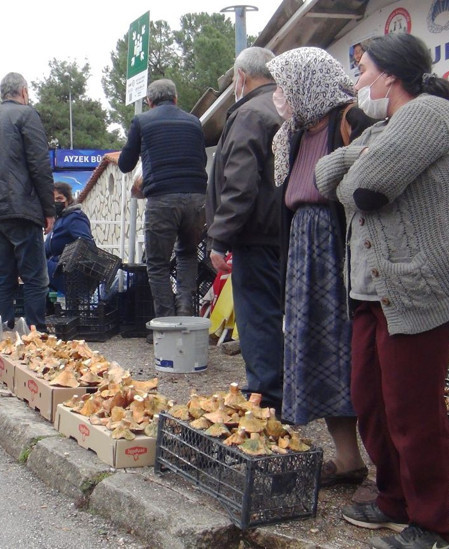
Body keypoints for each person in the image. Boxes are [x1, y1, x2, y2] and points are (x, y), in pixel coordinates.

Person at [315, 32, 449, 549]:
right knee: (371, 401)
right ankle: (394, 499)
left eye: (363, 70)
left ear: (390, 75)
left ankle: (435, 526)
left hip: (422, 289)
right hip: (376, 291)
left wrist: (354, 162)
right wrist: (360, 156)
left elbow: (365, 191)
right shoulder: (388, 126)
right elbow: (326, 176)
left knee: (413, 412)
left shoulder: (427, 114)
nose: (358, 81)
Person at [266, 47, 375, 489]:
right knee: (315, 349)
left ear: (309, 83)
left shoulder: (349, 119)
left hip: (336, 248)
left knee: (344, 349)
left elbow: (369, 177)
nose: (281, 96)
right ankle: (348, 458)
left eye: (286, 86)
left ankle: (386, 467)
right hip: (304, 250)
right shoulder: (295, 133)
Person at [204, 47, 284, 411]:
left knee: (258, 315)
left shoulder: (250, 113)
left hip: (257, 233)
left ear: (241, 77)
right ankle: (279, 390)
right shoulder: (281, 107)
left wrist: (219, 237)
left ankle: (266, 396)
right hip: (283, 228)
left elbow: (240, 182)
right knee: (278, 314)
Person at [118, 78, 207, 323]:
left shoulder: (142, 121)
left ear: (149, 101)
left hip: (162, 200)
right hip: (197, 199)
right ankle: (185, 312)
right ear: (175, 99)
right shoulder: (194, 121)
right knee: (187, 254)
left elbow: (125, 164)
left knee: (157, 264)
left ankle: (167, 322)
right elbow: (201, 159)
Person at [0, 72, 55, 330]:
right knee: (34, 277)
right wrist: (49, 209)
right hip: (21, 208)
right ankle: (36, 334)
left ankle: (1, 332)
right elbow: (39, 165)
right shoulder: (27, 115)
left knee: (5, 275)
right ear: (24, 91)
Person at [45, 182, 93, 293]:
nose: (56, 202)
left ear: (68, 200)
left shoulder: (75, 217)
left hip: (69, 273)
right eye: (52, 200)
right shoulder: (58, 221)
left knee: (35, 263)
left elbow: (87, 244)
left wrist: (63, 259)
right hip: (57, 269)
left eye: (59, 198)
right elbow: (45, 249)